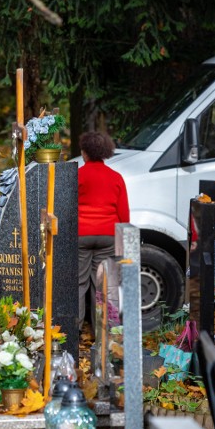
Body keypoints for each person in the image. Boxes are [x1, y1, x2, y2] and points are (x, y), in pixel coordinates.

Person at [78, 131, 129, 324]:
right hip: (108, 236)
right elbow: (123, 213)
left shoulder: (78, 175)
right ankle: (103, 330)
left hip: (81, 235)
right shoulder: (116, 177)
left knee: (79, 283)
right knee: (103, 283)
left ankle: (75, 331)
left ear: (85, 153)